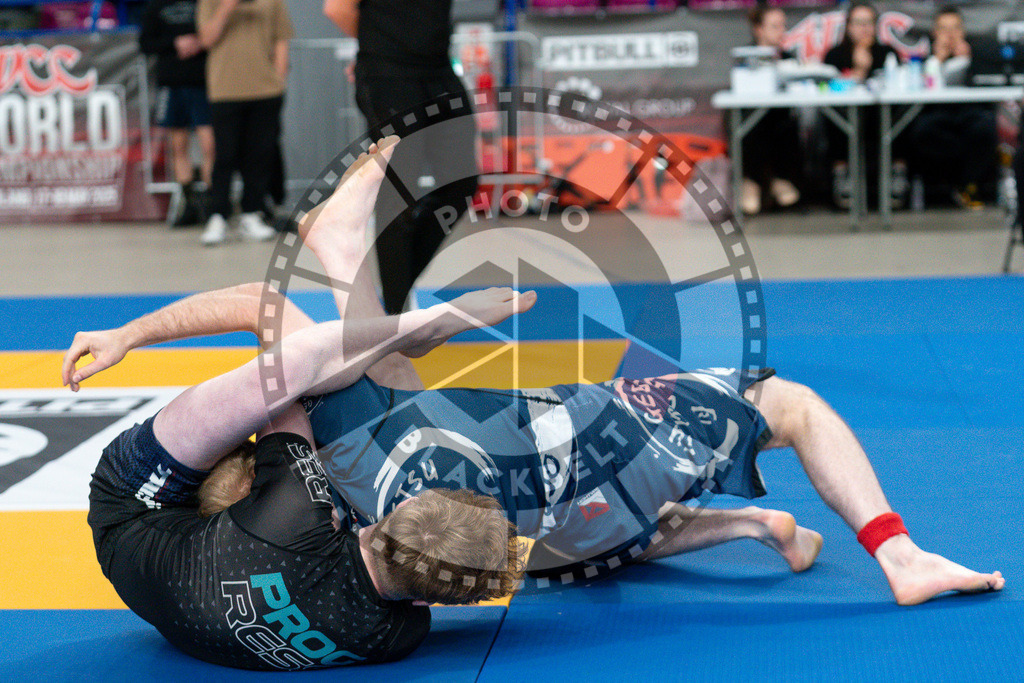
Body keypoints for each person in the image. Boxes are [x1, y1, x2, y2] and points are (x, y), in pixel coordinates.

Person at [68, 139, 1005, 607]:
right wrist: (132, 331)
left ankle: (756, 522)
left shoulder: (294, 488)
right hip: (533, 450)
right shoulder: (291, 444)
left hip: (475, 500)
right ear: (245, 459)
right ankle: (901, 553)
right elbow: (254, 310)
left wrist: (132, 328)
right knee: (785, 402)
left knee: (583, 532)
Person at [65, 141, 528, 670]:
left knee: (296, 358)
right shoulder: (398, 634)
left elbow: (284, 367)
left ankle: (385, 295)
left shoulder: (298, 514)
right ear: (425, 602)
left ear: (390, 514)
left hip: (134, 509)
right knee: (399, 423)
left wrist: (422, 328)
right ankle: (344, 252)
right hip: (186, 590)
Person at [323, 0, 480, 314]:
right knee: (398, 192)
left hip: (438, 71)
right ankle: (395, 315)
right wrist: (376, 48)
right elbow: (337, 8)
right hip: (389, 74)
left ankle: (400, 287)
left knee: (461, 182)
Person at [195, 0, 291, 246]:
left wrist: (278, 80)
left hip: (266, 90)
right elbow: (206, 39)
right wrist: (227, 6)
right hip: (225, 89)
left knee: (259, 155)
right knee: (224, 154)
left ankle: (252, 213)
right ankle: (218, 215)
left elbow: (281, 39)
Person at [910, 5, 997, 208]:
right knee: (923, 132)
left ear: (963, 31)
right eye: (943, 28)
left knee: (982, 130)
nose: (950, 34)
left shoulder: (979, 55)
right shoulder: (925, 60)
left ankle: (967, 185)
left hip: (972, 113)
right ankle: (947, 187)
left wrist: (968, 61)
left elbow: (987, 84)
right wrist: (937, 60)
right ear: (934, 33)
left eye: (955, 28)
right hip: (938, 114)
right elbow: (925, 90)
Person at [138, 0, 215, 227]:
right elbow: (145, 44)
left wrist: (199, 41)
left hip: (203, 82)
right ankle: (189, 202)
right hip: (171, 83)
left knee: (209, 144)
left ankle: (213, 203)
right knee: (178, 145)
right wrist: (174, 43)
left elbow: (219, 33)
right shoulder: (155, 6)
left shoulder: (204, 3)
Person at [823, 1, 905, 209]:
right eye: (858, 23)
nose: (864, 28)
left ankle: (897, 173)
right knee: (835, 117)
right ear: (848, 26)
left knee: (901, 114)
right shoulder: (834, 55)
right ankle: (843, 173)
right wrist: (859, 70)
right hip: (846, 117)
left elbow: (899, 84)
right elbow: (827, 90)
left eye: (869, 23)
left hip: (881, 115)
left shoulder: (888, 53)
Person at [739, 5, 802, 215]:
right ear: (759, 29)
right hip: (753, 125)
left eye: (783, 25)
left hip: (781, 123)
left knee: (786, 124)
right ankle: (751, 182)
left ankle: (781, 180)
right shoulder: (744, 58)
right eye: (775, 26)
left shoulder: (788, 58)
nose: (781, 31)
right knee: (751, 126)